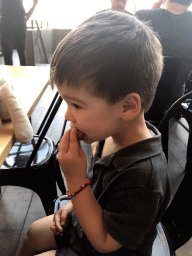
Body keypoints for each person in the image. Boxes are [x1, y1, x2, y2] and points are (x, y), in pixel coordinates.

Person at [17, 11, 170, 256]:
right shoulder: (112, 132)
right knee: (35, 231)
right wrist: (73, 207)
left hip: (105, 248)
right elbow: (99, 192)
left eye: (76, 104)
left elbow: (105, 243)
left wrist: (75, 182)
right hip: (88, 219)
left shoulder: (145, 177)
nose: (67, 115)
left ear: (127, 107)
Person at [0, 0, 39, 66]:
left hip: (17, 21)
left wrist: (30, 12)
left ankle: (23, 74)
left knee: (20, 53)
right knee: (8, 54)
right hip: (7, 21)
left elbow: (35, 1)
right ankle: (11, 75)